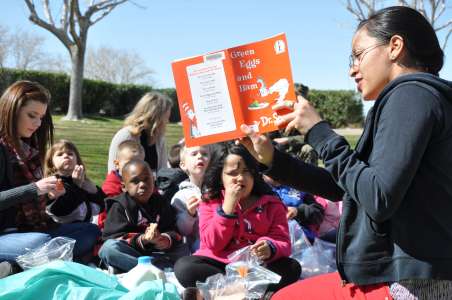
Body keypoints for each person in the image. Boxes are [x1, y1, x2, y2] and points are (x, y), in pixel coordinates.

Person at [239, 6, 452, 299]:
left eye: (358, 54)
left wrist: (319, 132)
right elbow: (347, 187)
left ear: (395, 47)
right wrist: (273, 161)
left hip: (416, 284)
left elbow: (378, 198)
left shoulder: (411, 95)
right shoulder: (417, 98)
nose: (352, 68)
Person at [174, 143, 301, 295]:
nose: (240, 178)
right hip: (220, 265)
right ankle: (249, 291)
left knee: (292, 267)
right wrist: (228, 207)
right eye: (232, 173)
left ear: (254, 174)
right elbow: (212, 243)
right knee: (184, 267)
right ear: (220, 176)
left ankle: (227, 292)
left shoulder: (272, 204)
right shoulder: (209, 202)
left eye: (246, 171)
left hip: (256, 268)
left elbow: (282, 241)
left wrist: (270, 247)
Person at [0, 81, 100, 271]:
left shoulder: (28, 150)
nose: (38, 124)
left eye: (41, 117)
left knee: (90, 230)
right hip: (6, 235)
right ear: (12, 111)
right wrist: (35, 188)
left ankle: (17, 268)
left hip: (28, 231)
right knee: (43, 243)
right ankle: (25, 266)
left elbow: (31, 207)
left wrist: (48, 195)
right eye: (32, 116)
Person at [99, 159, 189, 272]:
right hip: (132, 254)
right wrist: (143, 239)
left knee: (183, 248)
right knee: (108, 249)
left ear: (153, 180)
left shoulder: (161, 202)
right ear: (124, 186)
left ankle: (127, 269)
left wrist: (165, 239)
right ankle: (152, 271)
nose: (142, 185)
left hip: (156, 253)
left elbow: (173, 230)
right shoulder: (119, 206)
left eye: (147, 179)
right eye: (135, 181)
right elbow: (113, 237)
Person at [107, 91, 172, 174]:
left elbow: (163, 171)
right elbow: (113, 172)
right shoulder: (125, 136)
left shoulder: (159, 138)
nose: (168, 121)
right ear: (155, 117)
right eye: (166, 117)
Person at [44, 139, 105, 224]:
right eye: (60, 154)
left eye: (70, 154)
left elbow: (101, 208)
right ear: (51, 163)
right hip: (63, 229)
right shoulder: (54, 182)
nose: (66, 156)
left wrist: (95, 192)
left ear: (77, 160)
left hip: (86, 225)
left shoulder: (83, 180)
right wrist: (77, 186)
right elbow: (59, 210)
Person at [171, 144, 212, 253]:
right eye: (194, 154)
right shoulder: (180, 196)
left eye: (204, 154)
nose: (200, 156)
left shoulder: (219, 189)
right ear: (183, 165)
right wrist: (189, 214)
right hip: (198, 247)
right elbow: (182, 231)